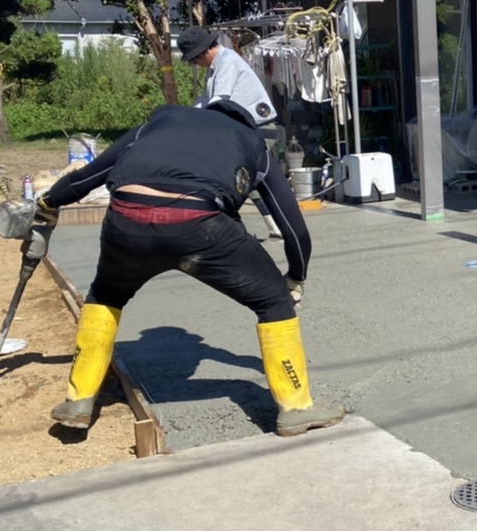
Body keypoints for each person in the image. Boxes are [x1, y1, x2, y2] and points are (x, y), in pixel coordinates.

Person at [26, 100, 343, 438]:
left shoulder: (156, 127)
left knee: (105, 295)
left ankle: (79, 401)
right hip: (200, 225)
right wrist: (296, 277)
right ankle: (295, 408)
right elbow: (294, 229)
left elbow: (86, 178)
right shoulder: (251, 143)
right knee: (273, 301)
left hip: (127, 220)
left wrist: (47, 203)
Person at [177, 24, 286, 238]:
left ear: (205, 50)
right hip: (245, 129)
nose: (196, 64)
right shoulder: (215, 68)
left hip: (259, 128)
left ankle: (230, 230)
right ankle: (276, 227)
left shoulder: (227, 63)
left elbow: (219, 102)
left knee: (234, 180)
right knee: (251, 183)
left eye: (196, 59)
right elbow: (205, 101)